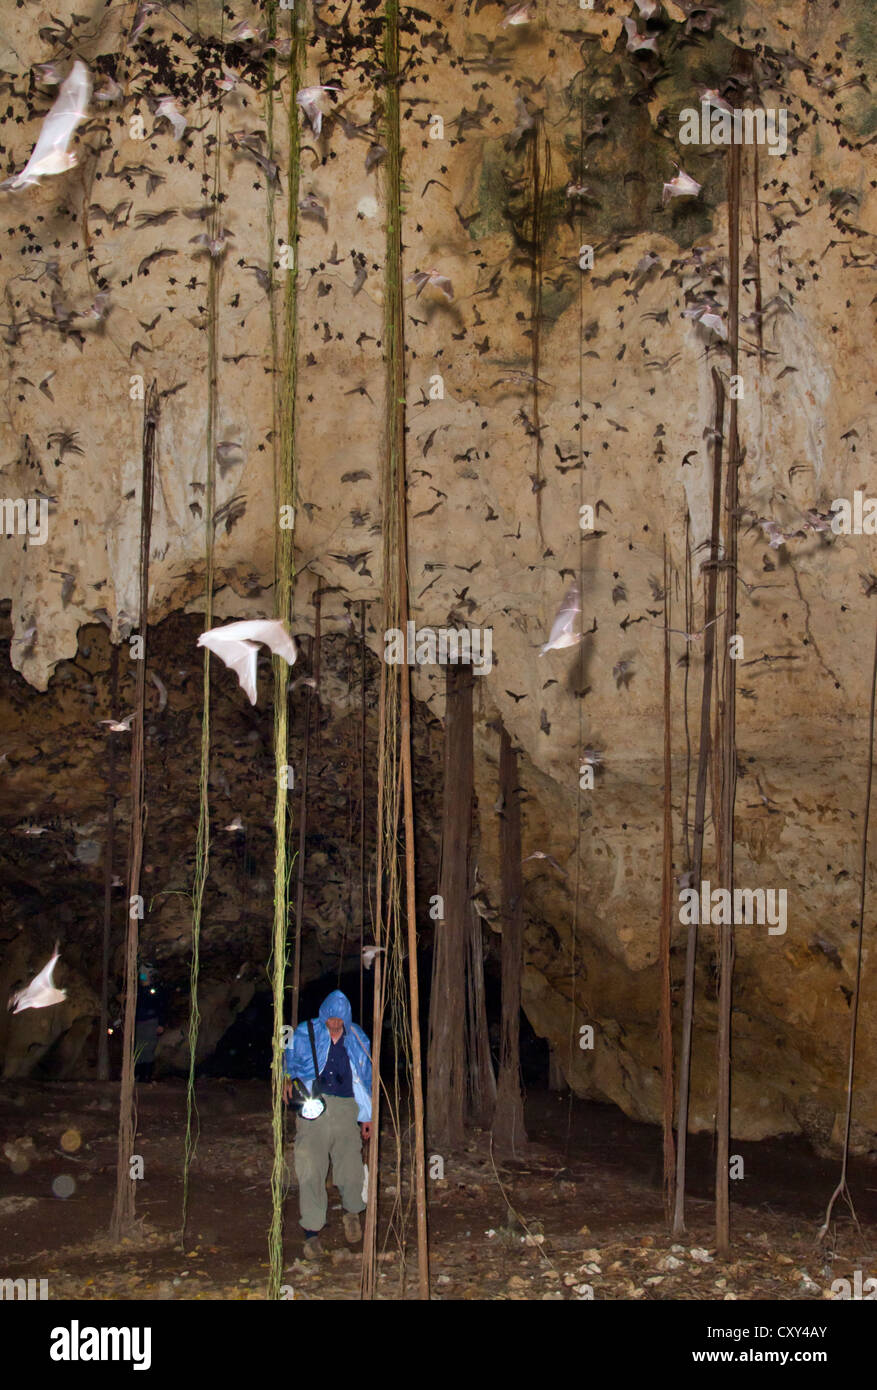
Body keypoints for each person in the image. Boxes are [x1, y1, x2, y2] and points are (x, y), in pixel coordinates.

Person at [282, 989, 372, 1259]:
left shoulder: (357, 1037)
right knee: (310, 1167)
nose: (334, 1024)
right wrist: (287, 1076)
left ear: (346, 1019)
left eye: (339, 1020)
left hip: (346, 1108)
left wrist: (366, 1116)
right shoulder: (305, 1031)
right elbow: (290, 1058)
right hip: (313, 1106)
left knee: (351, 1166)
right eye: (330, 1018)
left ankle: (352, 1212)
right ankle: (311, 1232)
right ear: (323, 1016)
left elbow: (364, 1078)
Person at [134, 965, 165, 1083]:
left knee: (148, 1048)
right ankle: (138, 1074)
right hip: (139, 1022)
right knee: (138, 1048)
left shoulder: (155, 990)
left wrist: (161, 1024)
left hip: (151, 1022)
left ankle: (146, 1075)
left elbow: (161, 1007)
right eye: (141, 974)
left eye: (144, 974)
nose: (142, 977)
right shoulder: (138, 991)